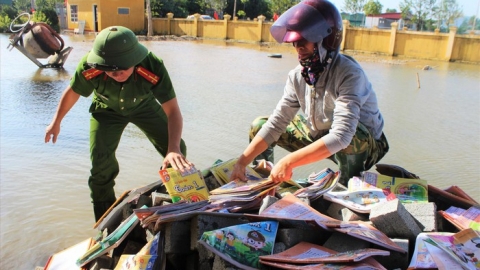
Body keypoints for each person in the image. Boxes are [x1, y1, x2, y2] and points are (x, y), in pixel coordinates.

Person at [231, 0, 389, 186]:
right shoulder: (297, 76)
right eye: (295, 41)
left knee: (353, 136)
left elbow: (342, 135)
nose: (298, 47)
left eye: (304, 40)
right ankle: (265, 183)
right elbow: (276, 123)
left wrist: (289, 161)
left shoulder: (349, 73)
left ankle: (347, 186)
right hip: (319, 133)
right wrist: (242, 162)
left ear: (326, 40)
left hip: (362, 145)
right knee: (260, 125)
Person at [45, 26, 193, 221]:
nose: (116, 75)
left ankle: (173, 200)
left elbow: (173, 111)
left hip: (143, 105)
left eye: (122, 69)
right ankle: (105, 222)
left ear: (135, 59)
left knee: (177, 149)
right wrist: (56, 122)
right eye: (110, 71)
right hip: (106, 109)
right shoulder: (90, 67)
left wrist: (172, 148)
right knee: (100, 166)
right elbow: (73, 92)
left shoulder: (152, 66)